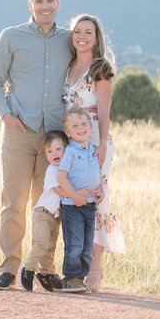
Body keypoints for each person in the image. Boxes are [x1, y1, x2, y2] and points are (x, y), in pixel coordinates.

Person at [0, 0, 70, 291]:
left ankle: (45, 268)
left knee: (49, 203)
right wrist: (6, 115)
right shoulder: (11, 37)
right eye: (39, 1)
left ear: (58, 3)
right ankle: (8, 268)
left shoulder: (69, 39)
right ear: (30, 5)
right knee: (14, 201)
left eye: (50, 0)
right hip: (19, 132)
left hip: (55, 137)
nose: (45, 6)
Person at [62, 13, 125, 292]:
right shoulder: (68, 67)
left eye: (88, 32)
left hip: (95, 139)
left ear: (97, 37)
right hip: (71, 142)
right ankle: (76, 265)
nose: (82, 36)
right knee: (75, 201)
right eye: (78, 31)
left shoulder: (101, 68)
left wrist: (100, 146)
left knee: (97, 199)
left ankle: (95, 269)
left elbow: (104, 111)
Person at [18, 130, 90, 292]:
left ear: (67, 149)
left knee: (51, 247)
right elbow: (58, 190)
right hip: (43, 213)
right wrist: (76, 195)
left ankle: (46, 273)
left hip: (56, 216)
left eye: (58, 149)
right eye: (49, 151)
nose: (54, 153)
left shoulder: (68, 171)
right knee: (42, 243)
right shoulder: (52, 170)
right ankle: (27, 269)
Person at [55, 107, 101, 293]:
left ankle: (79, 279)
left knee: (87, 245)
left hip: (90, 205)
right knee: (75, 243)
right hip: (72, 206)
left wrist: (100, 191)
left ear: (90, 126)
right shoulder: (70, 152)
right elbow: (61, 178)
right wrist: (75, 197)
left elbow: (96, 175)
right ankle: (70, 278)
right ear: (68, 132)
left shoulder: (94, 150)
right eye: (75, 125)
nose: (81, 128)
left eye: (84, 124)